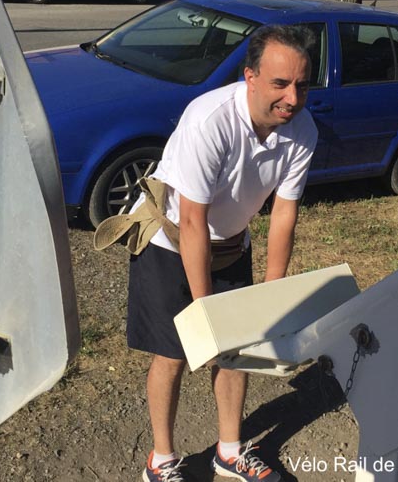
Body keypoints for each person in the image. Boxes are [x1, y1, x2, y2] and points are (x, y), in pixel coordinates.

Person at [128, 24, 318, 482]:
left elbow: (283, 214)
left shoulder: (302, 129)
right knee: (176, 351)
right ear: (250, 77)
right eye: (279, 84)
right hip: (171, 240)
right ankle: (161, 460)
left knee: (237, 349)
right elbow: (192, 219)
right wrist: (204, 307)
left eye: (301, 85)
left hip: (231, 242)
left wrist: (272, 294)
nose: (292, 98)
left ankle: (229, 452)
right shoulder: (209, 120)